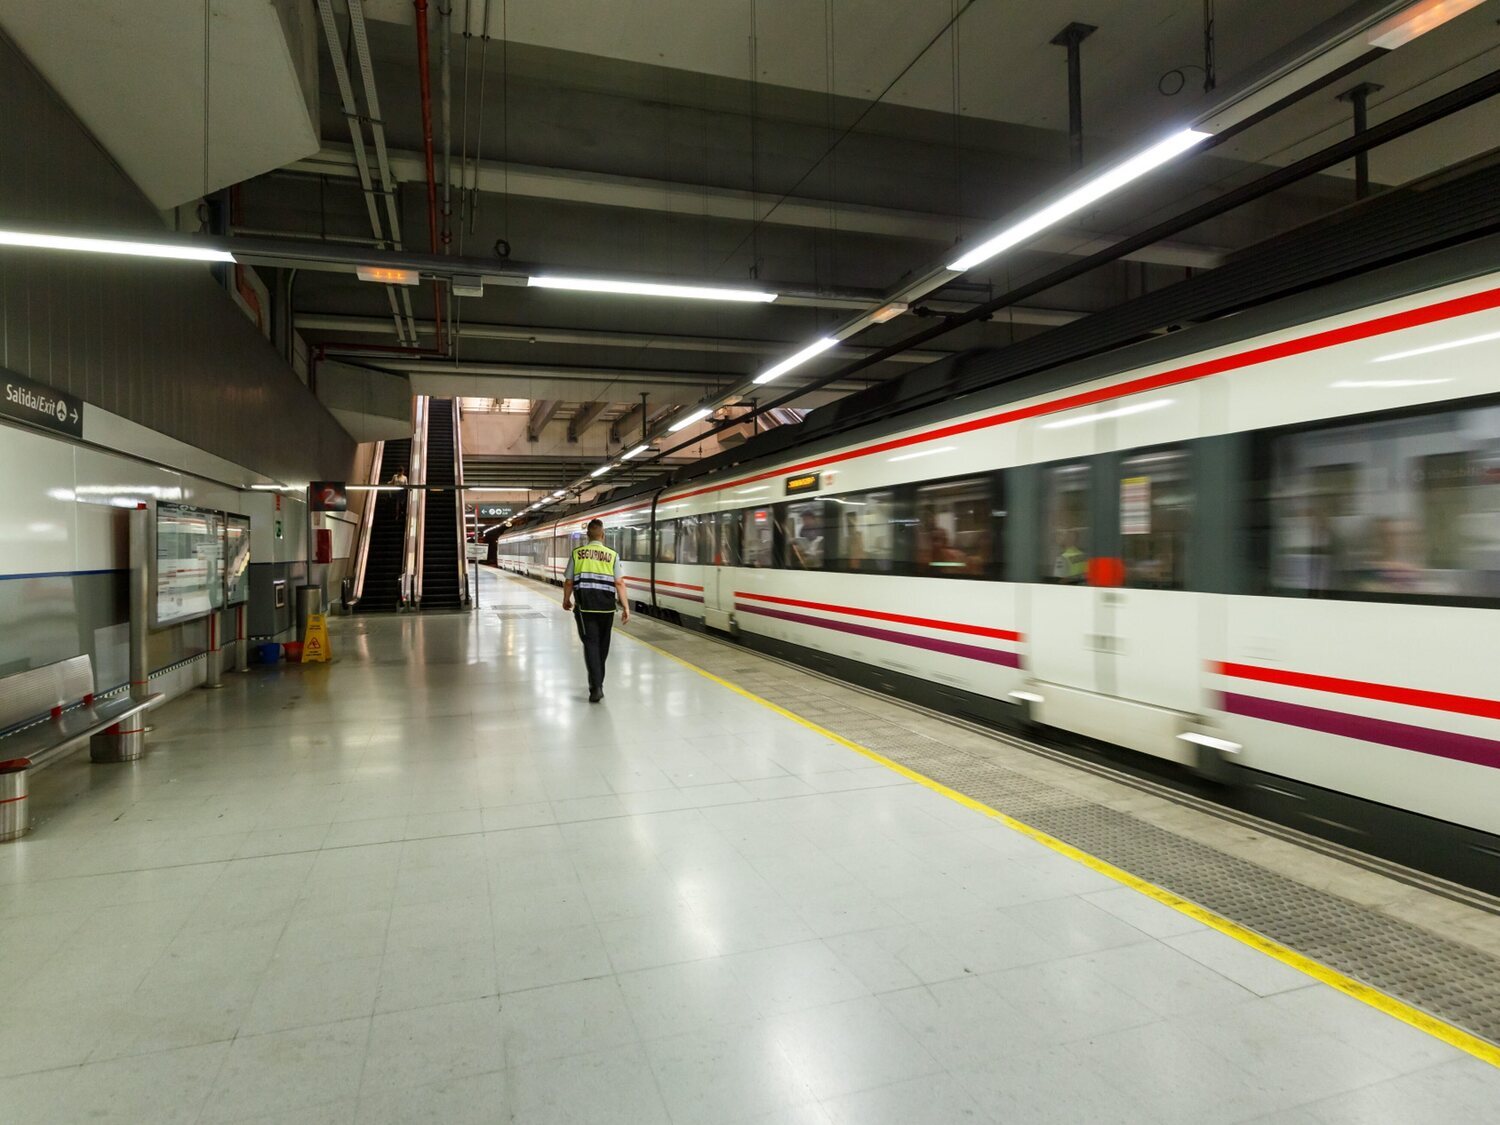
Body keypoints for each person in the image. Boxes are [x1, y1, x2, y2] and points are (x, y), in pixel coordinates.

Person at [562, 518, 630, 702]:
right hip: (607, 609)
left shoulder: (577, 553)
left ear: (587, 535)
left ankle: (596, 686)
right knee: (602, 646)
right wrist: (626, 606)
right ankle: (597, 683)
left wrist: (566, 599)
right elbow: (619, 582)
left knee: (590, 644)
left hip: (585, 608)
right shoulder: (612, 555)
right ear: (603, 535)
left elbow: (569, 581)